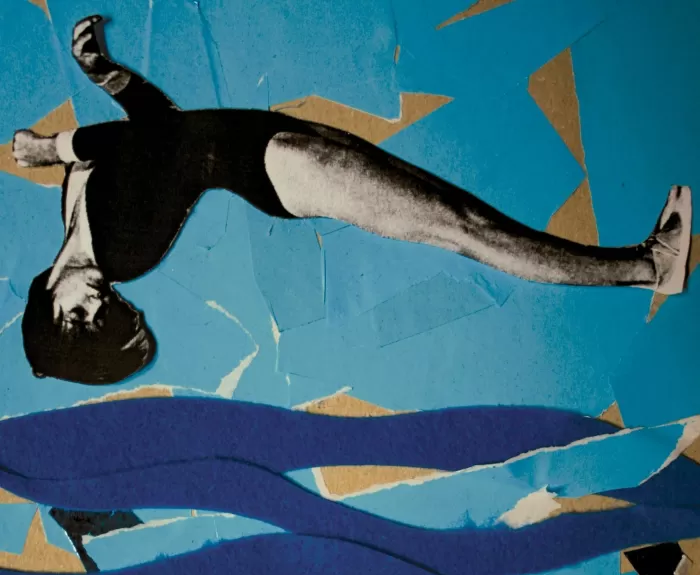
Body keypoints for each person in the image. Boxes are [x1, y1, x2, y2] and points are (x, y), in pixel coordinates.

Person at [13, 16, 693, 386]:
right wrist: (56, 146)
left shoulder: (75, 215)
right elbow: (160, 138)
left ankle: (647, 265)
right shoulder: (125, 251)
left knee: (463, 220)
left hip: (267, 141)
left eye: (84, 314)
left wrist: (106, 76)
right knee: (464, 226)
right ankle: (646, 267)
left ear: (50, 310)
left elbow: (159, 125)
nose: (102, 298)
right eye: (111, 311)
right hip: (282, 167)